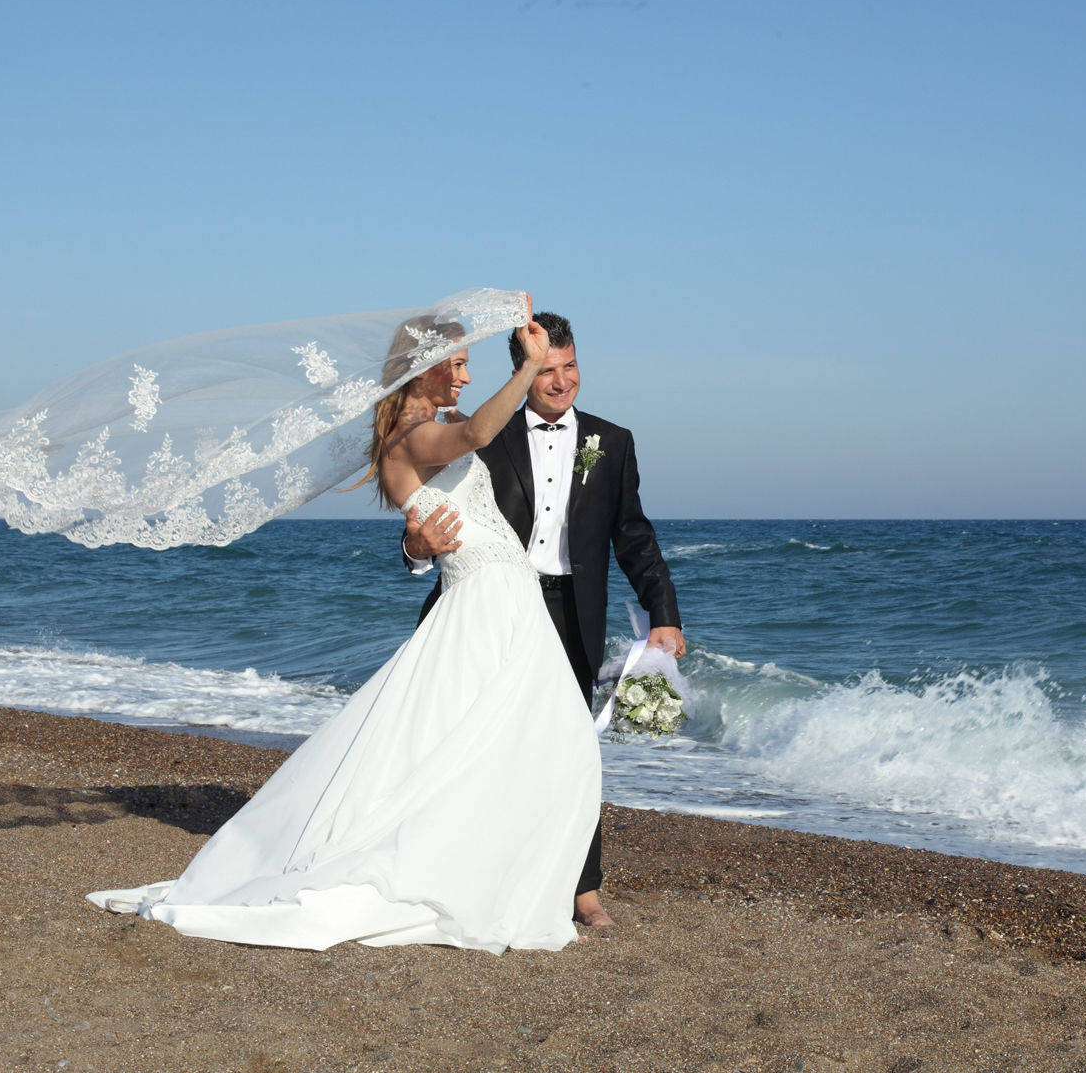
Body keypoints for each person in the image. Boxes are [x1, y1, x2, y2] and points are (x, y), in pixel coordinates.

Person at [88, 303, 602, 953]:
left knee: (513, 750)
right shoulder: (410, 437)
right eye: (458, 364)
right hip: (484, 606)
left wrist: (418, 545)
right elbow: (472, 439)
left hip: (506, 600)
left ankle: (506, 878)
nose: (465, 377)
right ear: (422, 370)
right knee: (537, 749)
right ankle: (472, 881)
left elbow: (441, 509)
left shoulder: (423, 429)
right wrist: (527, 366)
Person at [402, 311, 683, 929]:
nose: (562, 382)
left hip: (569, 612)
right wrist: (416, 549)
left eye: (571, 366)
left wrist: (664, 614)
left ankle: (584, 891)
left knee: (569, 751)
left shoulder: (614, 440)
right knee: (473, 744)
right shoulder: (483, 433)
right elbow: (429, 513)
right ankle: (467, 875)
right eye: (548, 369)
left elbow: (632, 536)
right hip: (489, 607)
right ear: (522, 371)